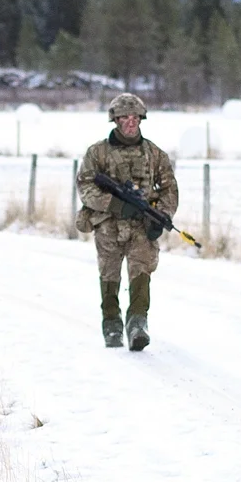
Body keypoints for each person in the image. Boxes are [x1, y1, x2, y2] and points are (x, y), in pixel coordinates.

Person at [74, 92, 178, 350]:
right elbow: (85, 186)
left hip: (141, 227)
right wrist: (115, 204)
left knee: (141, 271)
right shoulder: (97, 153)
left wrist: (161, 216)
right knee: (109, 273)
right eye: (124, 118)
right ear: (115, 121)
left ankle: (137, 324)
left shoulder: (155, 154)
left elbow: (170, 189)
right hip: (108, 225)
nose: (130, 123)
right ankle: (111, 323)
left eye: (135, 118)